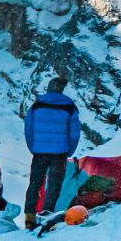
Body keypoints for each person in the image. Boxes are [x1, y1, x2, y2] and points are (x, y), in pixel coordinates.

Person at [22, 76, 82, 229]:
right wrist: (69, 151)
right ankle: (47, 213)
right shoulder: (68, 104)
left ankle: (29, 216)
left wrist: (33, 147)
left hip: (39, 151)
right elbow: (75, 131)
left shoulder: (37, 104)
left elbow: (28, 128)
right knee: (54, 184)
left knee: (35, 183)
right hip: (60, 152)